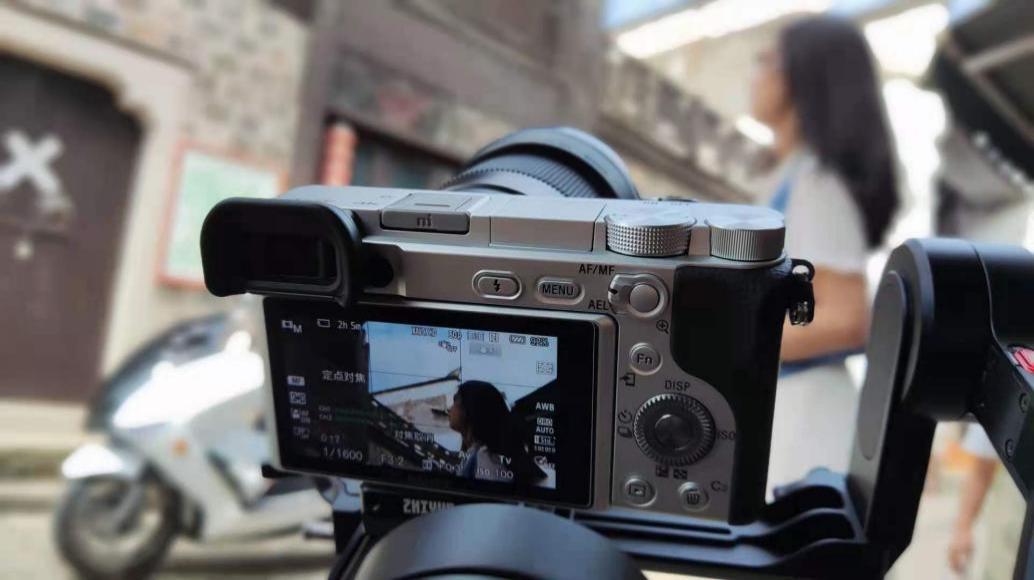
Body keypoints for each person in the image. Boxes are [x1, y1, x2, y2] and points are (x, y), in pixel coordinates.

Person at [749, 16, 900, 491]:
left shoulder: (817, 185)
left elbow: (847, 318)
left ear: (801, 76)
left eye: (767, 60)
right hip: (796, 416)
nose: (756, 73)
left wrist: (732, 341)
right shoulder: (794, 177)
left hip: (806, 426)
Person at [448, 380, 543, 484]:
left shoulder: (486, 460)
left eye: (455, 400)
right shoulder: (479, 454)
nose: (449, 408)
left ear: (470, 409)